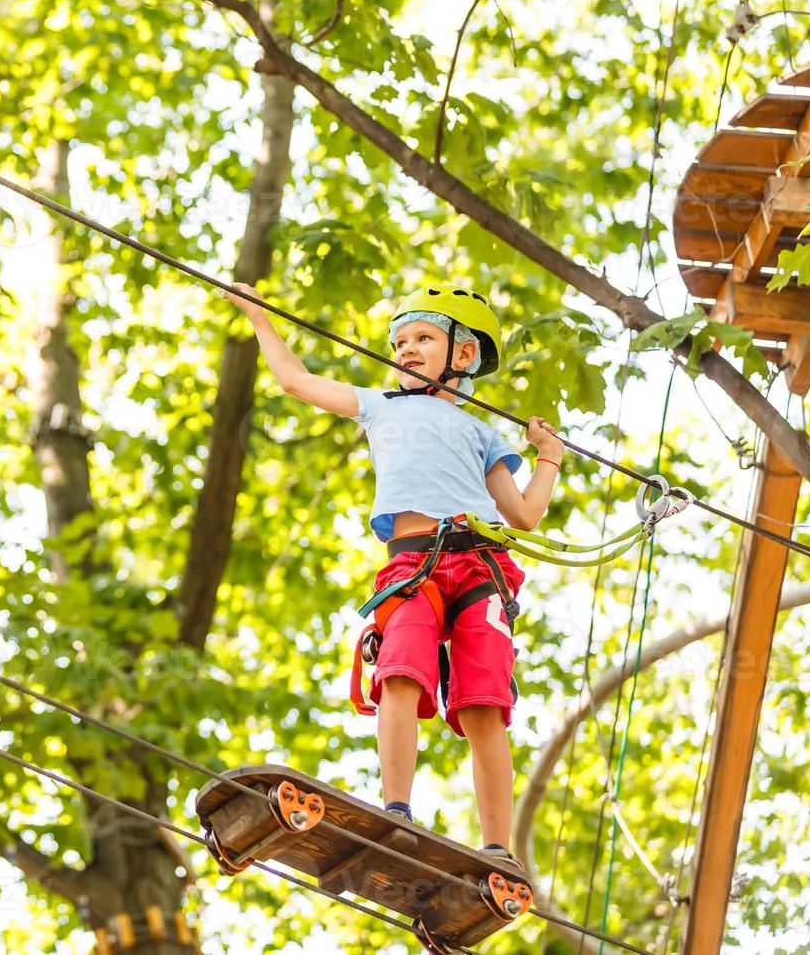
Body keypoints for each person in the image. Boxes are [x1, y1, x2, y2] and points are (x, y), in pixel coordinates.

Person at [224, 281, 564, 868]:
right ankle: (396, 809)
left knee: (484, 702)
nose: (405, 348)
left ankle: (498, 849)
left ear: (462, 355)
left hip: (483, 567)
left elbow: (525, 514)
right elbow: (296, 382)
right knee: (401, 670)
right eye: (399, 340)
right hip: (412, 564)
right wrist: (260, 320)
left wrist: (549, 458)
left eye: (423, 338)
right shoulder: (380, 403)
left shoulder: (484, 434)